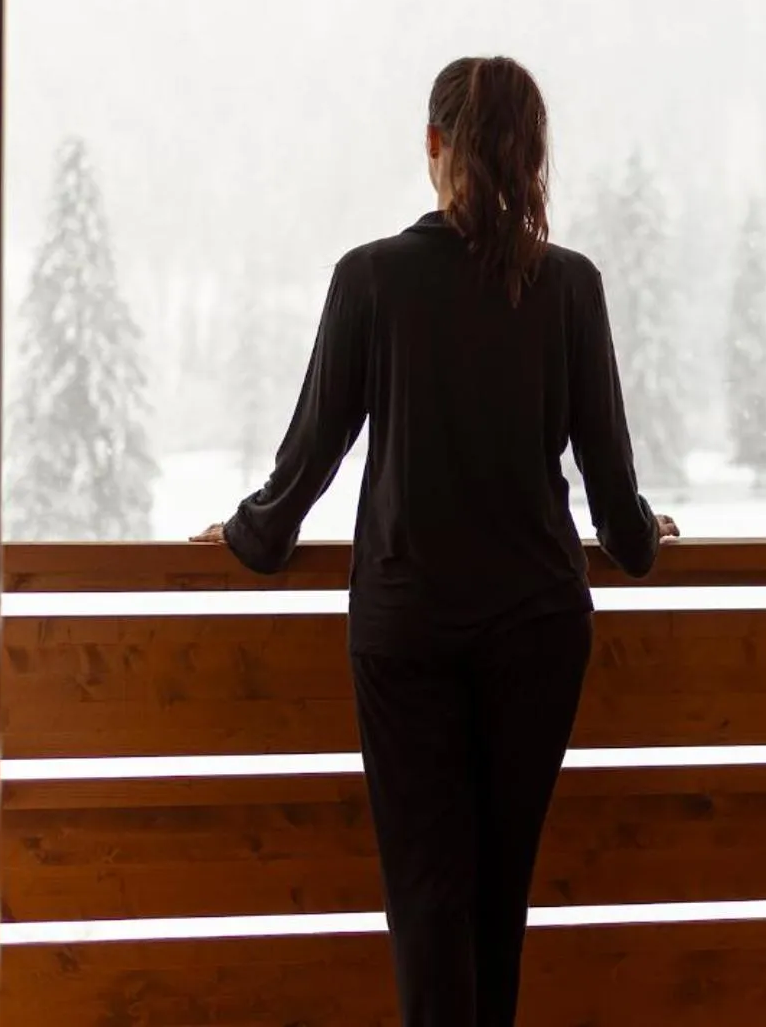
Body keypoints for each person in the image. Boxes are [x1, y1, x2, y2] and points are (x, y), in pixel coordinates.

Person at [194, 55, 676, 1027]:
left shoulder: (372, 280)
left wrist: (249, 536)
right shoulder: (569, 287)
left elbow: (307, 463)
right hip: (538, 629)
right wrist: (640, 540)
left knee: (426, 897)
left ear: (432, 145)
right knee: (498, 900)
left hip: (407, 629)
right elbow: (613, 497)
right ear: (534, 159)